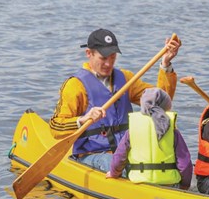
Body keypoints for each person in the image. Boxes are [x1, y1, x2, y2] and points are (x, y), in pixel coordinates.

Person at [49, 28, 181, 172]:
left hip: (126, 151)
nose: (108, 63)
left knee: (164, 162)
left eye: (112, 57)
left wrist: (166, 64)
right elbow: (55, 127)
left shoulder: (126, 79)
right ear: (89, 53)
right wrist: (83, 119)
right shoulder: (75, 85)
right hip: (93, 154)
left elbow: (162, 102)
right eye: (103, 58)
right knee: (114, 163)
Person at [106, 88, 192, 189]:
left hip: (140, 182)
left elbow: (119, 157)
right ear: (166, 107)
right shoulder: (172, 131)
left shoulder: (133, 129)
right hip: (168, 184)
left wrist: (114, 173)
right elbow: (184, 163)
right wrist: (185, 185)